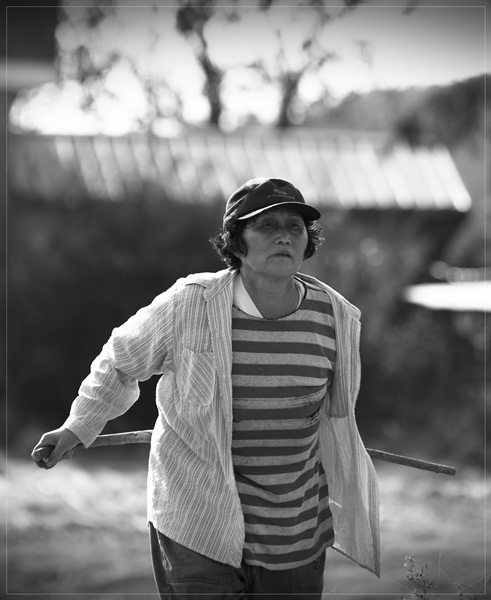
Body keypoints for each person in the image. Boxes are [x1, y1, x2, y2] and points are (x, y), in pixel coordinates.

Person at [32, 177, 380, 599]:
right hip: (198, 521)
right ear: (236, 242)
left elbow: (337, 415)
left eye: (295, 226)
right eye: (267, 226)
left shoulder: (336, 317)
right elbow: (119, 362)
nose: (284, 236)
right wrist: (77, 427)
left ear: (308, 241)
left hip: (294, 531)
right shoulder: (190, 303)